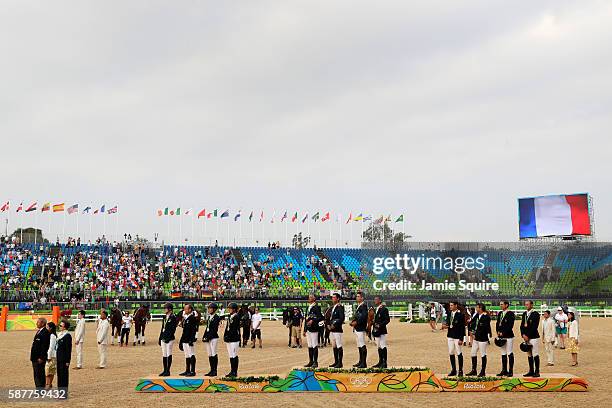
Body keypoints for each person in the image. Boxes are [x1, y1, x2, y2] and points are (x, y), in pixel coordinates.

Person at [466, 303, 491, 377]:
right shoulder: (477, 315)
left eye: (477, 307)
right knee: (473, 353)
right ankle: (474, 370)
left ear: (481, 308)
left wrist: (475, 333)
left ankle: (483, 371)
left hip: (482, 338)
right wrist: (470, 330)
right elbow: (471, 323)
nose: (476, 309)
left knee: (483, 354)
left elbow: (485, 328)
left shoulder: (486, 317)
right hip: (476, 338)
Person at [443, 301, 465, 376]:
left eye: (452, 305)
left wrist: (461, 339)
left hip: (457, 336)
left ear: (456, 306)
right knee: (451, 352)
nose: (450, 307)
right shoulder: (449, 314)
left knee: (459, 352)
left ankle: (461, 370)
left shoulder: (460, 315)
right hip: (450, 335)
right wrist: (446, 326)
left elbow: (462, 328)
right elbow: (449, 323)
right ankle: (453, 370)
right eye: (450, 305)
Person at [520, 300, 541, 377]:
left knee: (535, 354)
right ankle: (531, 371)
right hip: (525, 337)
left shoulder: (535, 314)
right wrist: (523, 334)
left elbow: (534, 327)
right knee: (529, 354)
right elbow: (522, 326)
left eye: (528, 304)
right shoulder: (524, 314)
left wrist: (527, 335)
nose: (526, 305)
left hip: (533, 337)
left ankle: (537, 371)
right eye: (525, 304)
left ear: (532, 305)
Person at [495, 300, 515, 377]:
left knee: (509, 352)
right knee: (503, 353)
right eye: (500, 304)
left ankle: (510, 371)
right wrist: (497, 331)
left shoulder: (510, 313)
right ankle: (504, 370)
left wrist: (503, 332)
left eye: (502, 304)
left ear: (506, 305)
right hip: (501, 336)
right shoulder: (500, 313)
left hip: (508, 336)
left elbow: (510, 325)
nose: (500, 305)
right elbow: (497, 323)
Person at [303, 294, 323, 368]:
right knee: (309, 346)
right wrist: (304, 329)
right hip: (308, 329)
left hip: (314, 328)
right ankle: (310, 361)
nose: (309, 298)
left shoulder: (317, 307)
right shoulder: (308, 307)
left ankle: (315, 362)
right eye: (309, 297)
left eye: (311, 297)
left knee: (314, 345)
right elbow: (306, 319)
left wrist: (313, 320)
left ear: (314, 299)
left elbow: (320, 317)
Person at [202, 302, 222, 377]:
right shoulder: (209, 317)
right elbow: (207, 328)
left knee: (214, 354)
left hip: (213, 337)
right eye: (208, 308)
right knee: (209, 354)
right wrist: (204, 336)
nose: (209, 310)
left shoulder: (216, 317)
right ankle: (211, 370)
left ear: (214, 309)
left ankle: (215, 370)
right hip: (208, 337)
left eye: (210, 308)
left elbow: (214, 329)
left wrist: (208, 337)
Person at [158, 303, 178, 376]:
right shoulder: (165, 317)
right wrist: (160, 338)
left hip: (169, 339)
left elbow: (173, 329)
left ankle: (168, 370)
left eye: (165, 308)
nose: (164, 309)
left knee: (168, 353)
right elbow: (162, 328)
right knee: (164, 354)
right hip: (163, 337)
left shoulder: (173, 317)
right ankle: (164, 370)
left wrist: (168, 338)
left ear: (169, 309)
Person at [31, 317, 50, 389]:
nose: (36, 323)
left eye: (38, 322)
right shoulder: (39, 331)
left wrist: (41, 357)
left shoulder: (45, 332)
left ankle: (40, 390)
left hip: (39, 358)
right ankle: (38, 389)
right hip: (35, 357)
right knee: (36, 374)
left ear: (42, 323)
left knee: (39, 374)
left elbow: (44, 346)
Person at [350, 291, 368, 368]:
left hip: (360, 328)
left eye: (358, 296)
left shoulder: (363, 306)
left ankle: (364, 363)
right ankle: (360, 361)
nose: (356, 298)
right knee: (359, 345)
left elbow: (363, 317)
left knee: (362, 344)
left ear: (362, 297)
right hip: (357, 328)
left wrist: (356, 322)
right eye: (356, 296)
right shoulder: (359, 306)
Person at [371, 295, 390, 369]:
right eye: (374, 299)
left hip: (381, 330)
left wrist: (380, 325)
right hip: (376, 330)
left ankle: (384, 362)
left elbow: (387, 320)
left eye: (376, 299)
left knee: (383, 345)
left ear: (380, 300)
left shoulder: (384, 309)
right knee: (378, 346)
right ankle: (380, 361)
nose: (375, 300)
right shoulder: (376, 309)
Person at [179, 304, 198, 376]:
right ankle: (187, 370)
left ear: (190, 310)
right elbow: (184, 331)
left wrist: (192, 340)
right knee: (187, 355)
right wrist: (181, 340)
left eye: (186, 309)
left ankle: (193, 371)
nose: (184, 310)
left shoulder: (192, 318)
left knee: (191, 354)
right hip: (185, 339)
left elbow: (194, 330)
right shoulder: (186, 318)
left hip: (189, 340)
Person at [224, 303, 241, 377]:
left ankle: (235, 371)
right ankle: (232, 370)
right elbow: (227, 327)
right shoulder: (229, 316)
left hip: (234, 338)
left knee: (234, 355)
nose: (229, 309)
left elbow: (234, 329)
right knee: (231, 355)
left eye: (230, 308)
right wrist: (225, 335)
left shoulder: (236, 317)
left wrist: (229, 336)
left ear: (234, 309)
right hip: (229, 338)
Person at [328, 293, 345, 368]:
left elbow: (341, 318)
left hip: (337, 329)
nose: (333, 299)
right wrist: (328, 324)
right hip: (332, 330)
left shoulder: (340, 307)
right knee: (334, 346)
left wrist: (334, 325)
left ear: (338, 299)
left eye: (334, 297)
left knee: (339, 346)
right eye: (332, 297)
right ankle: (336, 361)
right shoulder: (333, 307)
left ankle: (340, 363)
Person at [56, 319, 72, 390]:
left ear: (65, 327)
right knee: (59, 375)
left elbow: (68, 349)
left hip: (64, 359)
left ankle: (64, 392)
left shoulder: (67, 336)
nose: (59, 327)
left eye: (61, 325)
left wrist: (67, 361)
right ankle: (60, 391)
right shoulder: (59, 335)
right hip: (58, 358)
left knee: (64, 376)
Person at [45, 322, 58, 388]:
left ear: (51, 328)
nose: (46, 328)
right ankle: (48, 384)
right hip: (49, 355)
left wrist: (49, 356)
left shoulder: (52, 336)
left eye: (47, 327)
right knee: (48, 370)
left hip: (52, 355)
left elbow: (51, 347)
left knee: (50, 370)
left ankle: (49, 384)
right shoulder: (49, 335)